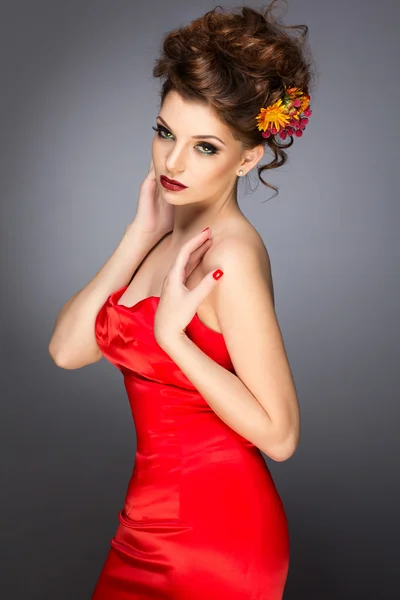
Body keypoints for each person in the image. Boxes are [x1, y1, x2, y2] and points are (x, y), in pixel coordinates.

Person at [49, 2, 315, 598]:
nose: (171, 162)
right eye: (166, 132)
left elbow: (281, 435)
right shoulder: (165, 238)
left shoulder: (232, 256)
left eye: (204, 147)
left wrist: (173, 339)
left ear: (247, 158)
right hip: (146, 522)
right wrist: (137, 237)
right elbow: (66, 350)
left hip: (217, 537)